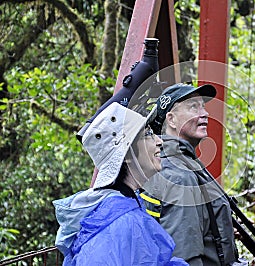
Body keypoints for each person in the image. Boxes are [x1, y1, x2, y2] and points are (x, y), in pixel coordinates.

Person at [53, 102, 188, 266]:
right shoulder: (118, 222)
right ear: (128, 154)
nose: (159, 141)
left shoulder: (127, 204)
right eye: (148, 134)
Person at [143, 83, 243, 266]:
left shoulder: (177, 162)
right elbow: (183, 256)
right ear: (171, 120)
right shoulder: (180, 175)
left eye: (203, 106)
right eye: (193, 107)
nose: (204, 113)